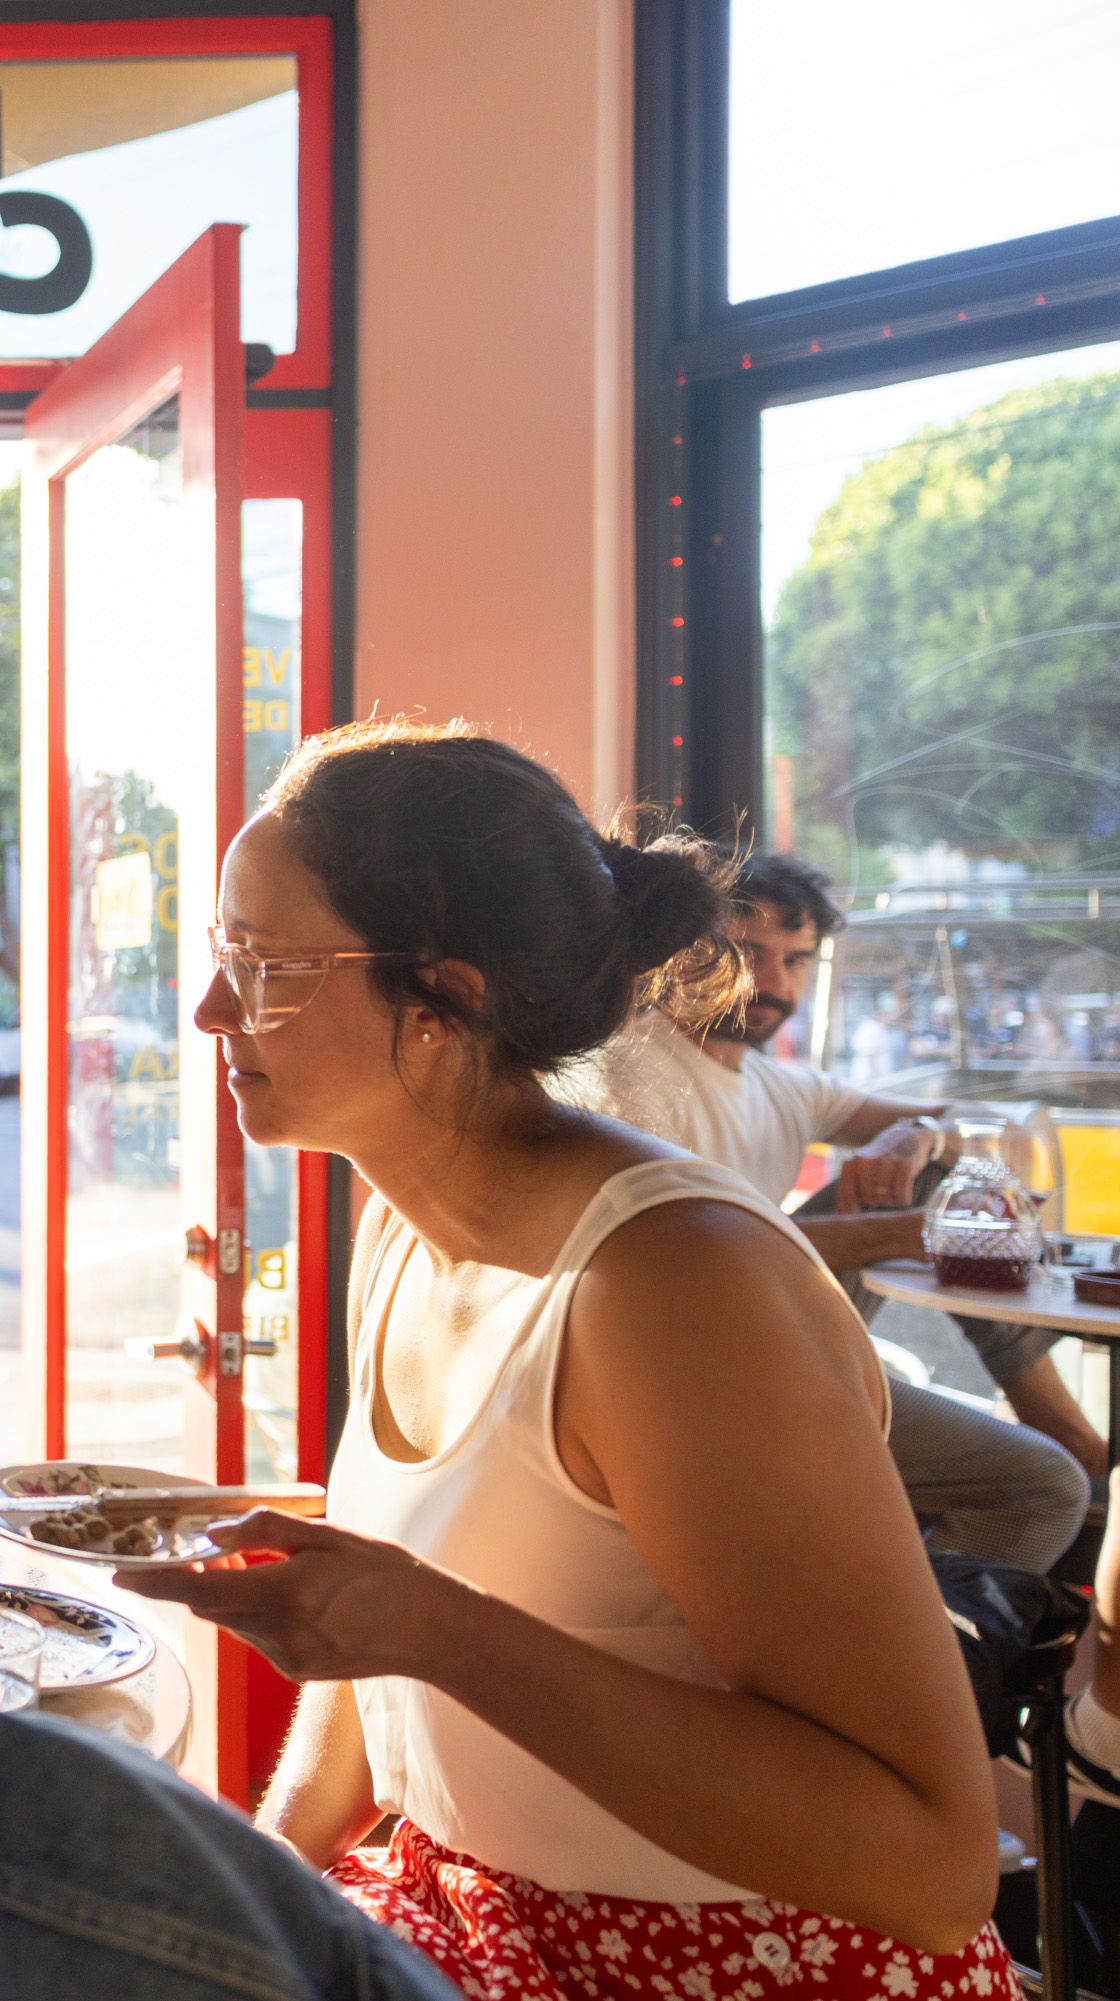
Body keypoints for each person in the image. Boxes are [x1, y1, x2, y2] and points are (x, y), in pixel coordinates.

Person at [134, 718, 1007, 2001]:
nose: (214, 1008)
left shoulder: (671, 1286)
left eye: (267, 964)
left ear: (449, 995)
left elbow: (931, 1868)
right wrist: (246, 1896)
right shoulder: (403, 1224)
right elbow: (380, 1683)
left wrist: (435, 1629)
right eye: (223, 951)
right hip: (479, 1928)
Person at [563, 852, 1088, 1573]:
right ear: (690, 950)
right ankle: (914, 1656)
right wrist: (918, 1233)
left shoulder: (787, 1088)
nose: (774, 983)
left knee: (932, 1166)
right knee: (1051, 1487)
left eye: (797, 960)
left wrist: (919, 1133)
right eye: (748, 954)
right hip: (704, 1371)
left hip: (774, 1331)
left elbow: (983, 1116)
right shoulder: (634, 1068)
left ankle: (1051, 1429)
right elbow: (699, 1261)